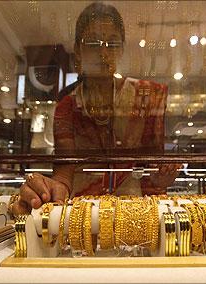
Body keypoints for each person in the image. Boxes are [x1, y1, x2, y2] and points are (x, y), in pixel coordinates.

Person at [12, 2, 179, 215]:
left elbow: (152, 168)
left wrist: (161, 176)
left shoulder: (146, 96)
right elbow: (65, 172)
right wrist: (47, 191)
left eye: (112, 43)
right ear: (78, 51)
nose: (103, 53)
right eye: (92, 43)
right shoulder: (68, 107)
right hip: (82, 215)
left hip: (134, 212)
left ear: (122, 50)